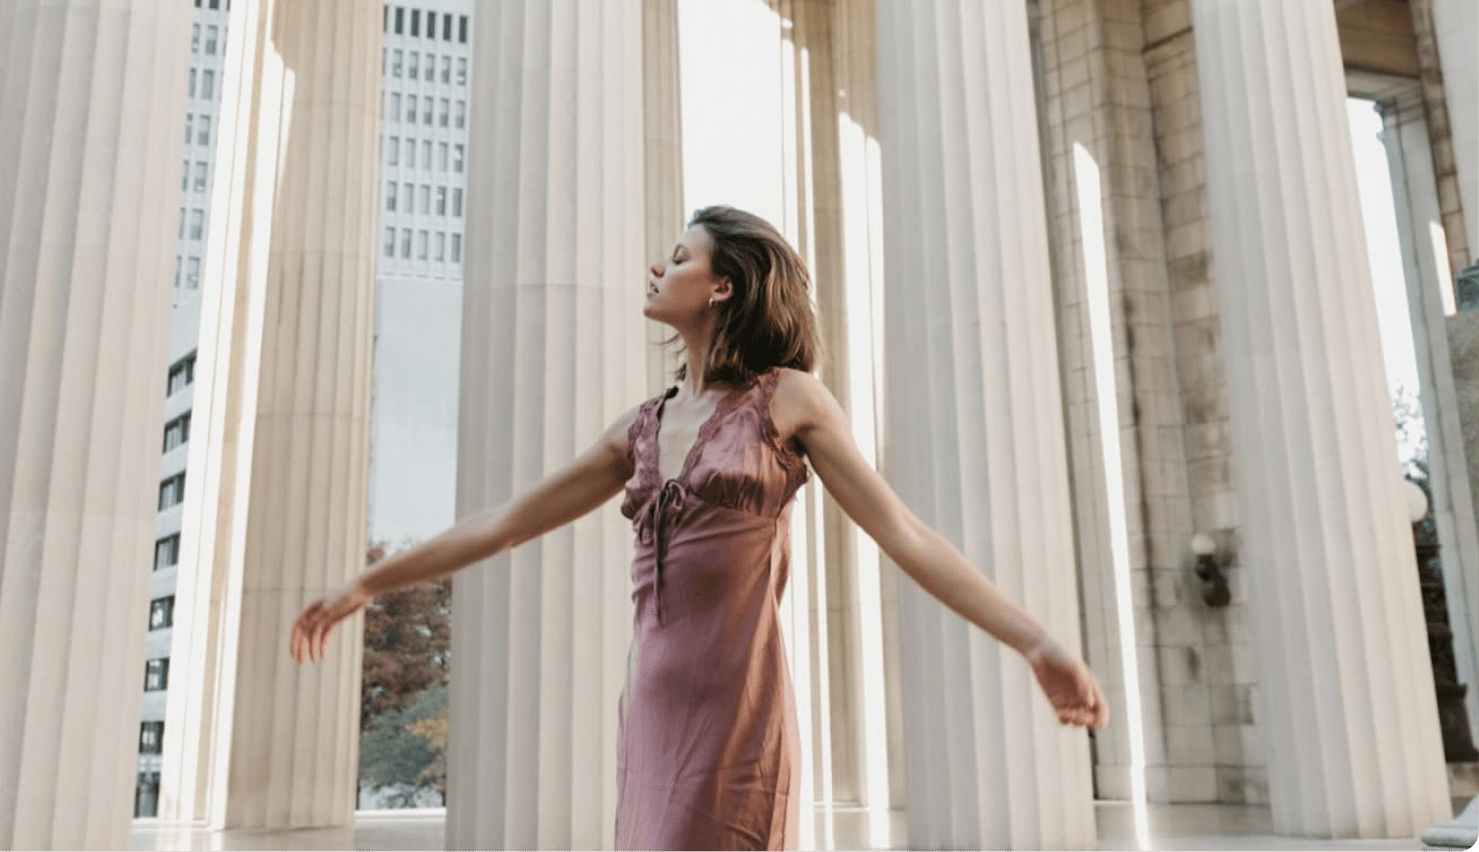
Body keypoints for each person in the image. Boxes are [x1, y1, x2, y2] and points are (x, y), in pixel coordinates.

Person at [291, 204, 1109, 852]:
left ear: (724, 286)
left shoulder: (787, 398)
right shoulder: (639, 427)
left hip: (737, 718)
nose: (659, 265)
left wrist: (1036, 640)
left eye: (680, 256)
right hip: (649, 711)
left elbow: (905, 534)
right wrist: (365, 583)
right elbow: (505, 522)